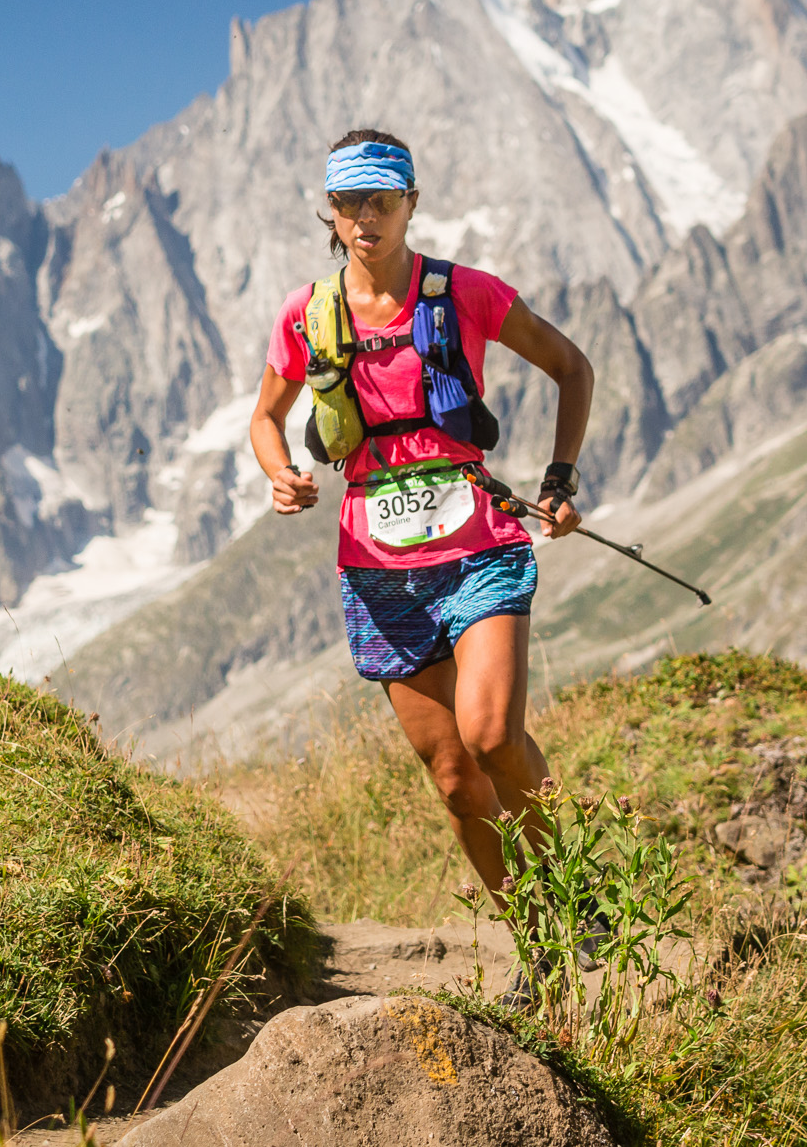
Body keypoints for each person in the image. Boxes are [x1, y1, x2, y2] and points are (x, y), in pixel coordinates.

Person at [249, 128, 593, 996]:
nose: (365, 219)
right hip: (377, 568)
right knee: (453, 780)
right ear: (328, 211)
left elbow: (570, 366)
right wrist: (281, 472)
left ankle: (579, 889)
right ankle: (540, 944)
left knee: (490, 736)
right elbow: (266, 417)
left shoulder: (464, 293)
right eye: (348, 203)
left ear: (411, 203)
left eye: (381, 201)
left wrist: (559, 477)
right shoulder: (305, 314)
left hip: (479, 546)